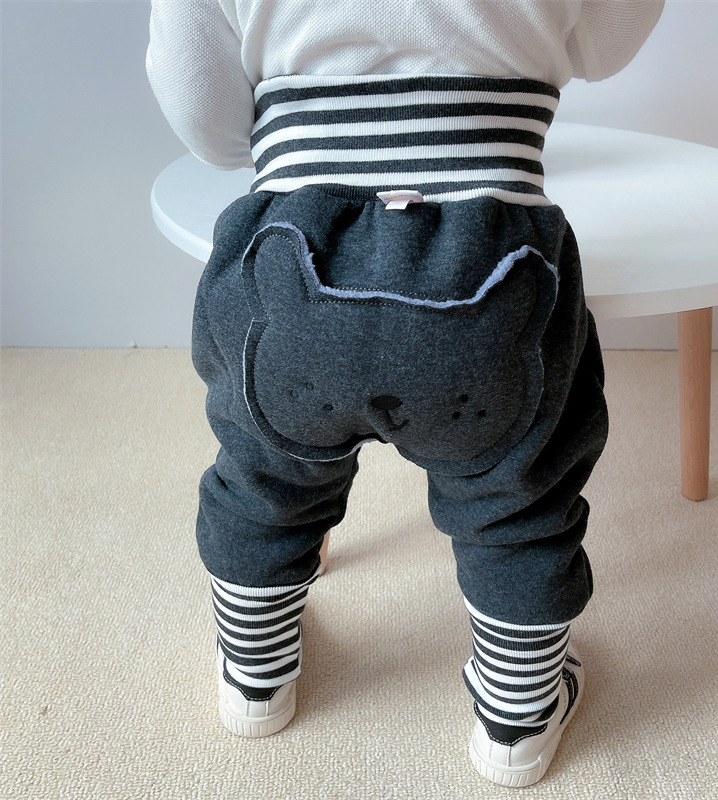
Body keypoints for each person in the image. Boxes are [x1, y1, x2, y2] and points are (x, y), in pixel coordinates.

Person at [147, 0, 664, 787]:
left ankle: (254, 678)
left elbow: (203, 109)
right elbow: (610, 42)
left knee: (263, 481)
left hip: (292, 250)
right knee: (517, 500)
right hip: (491, 265)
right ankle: (518, 721)